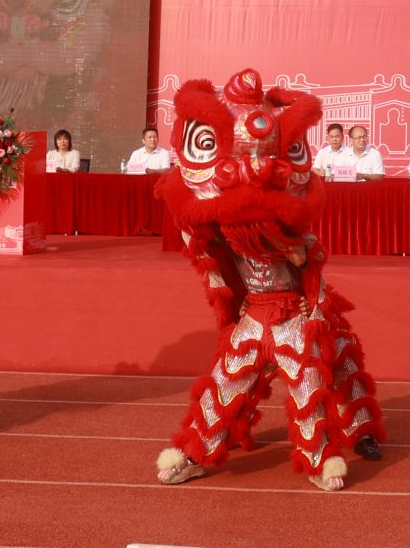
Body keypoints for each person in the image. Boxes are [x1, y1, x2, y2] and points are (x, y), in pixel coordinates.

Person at [151, 69, 384, 491]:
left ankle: (329, 454)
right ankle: (195, 454)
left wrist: (294, 262)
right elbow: (192, 226)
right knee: (225, 382)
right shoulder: (220, 226)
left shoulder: (291, 226)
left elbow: (309, 256)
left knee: (315, 380)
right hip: (254, 315)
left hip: (296, 313)